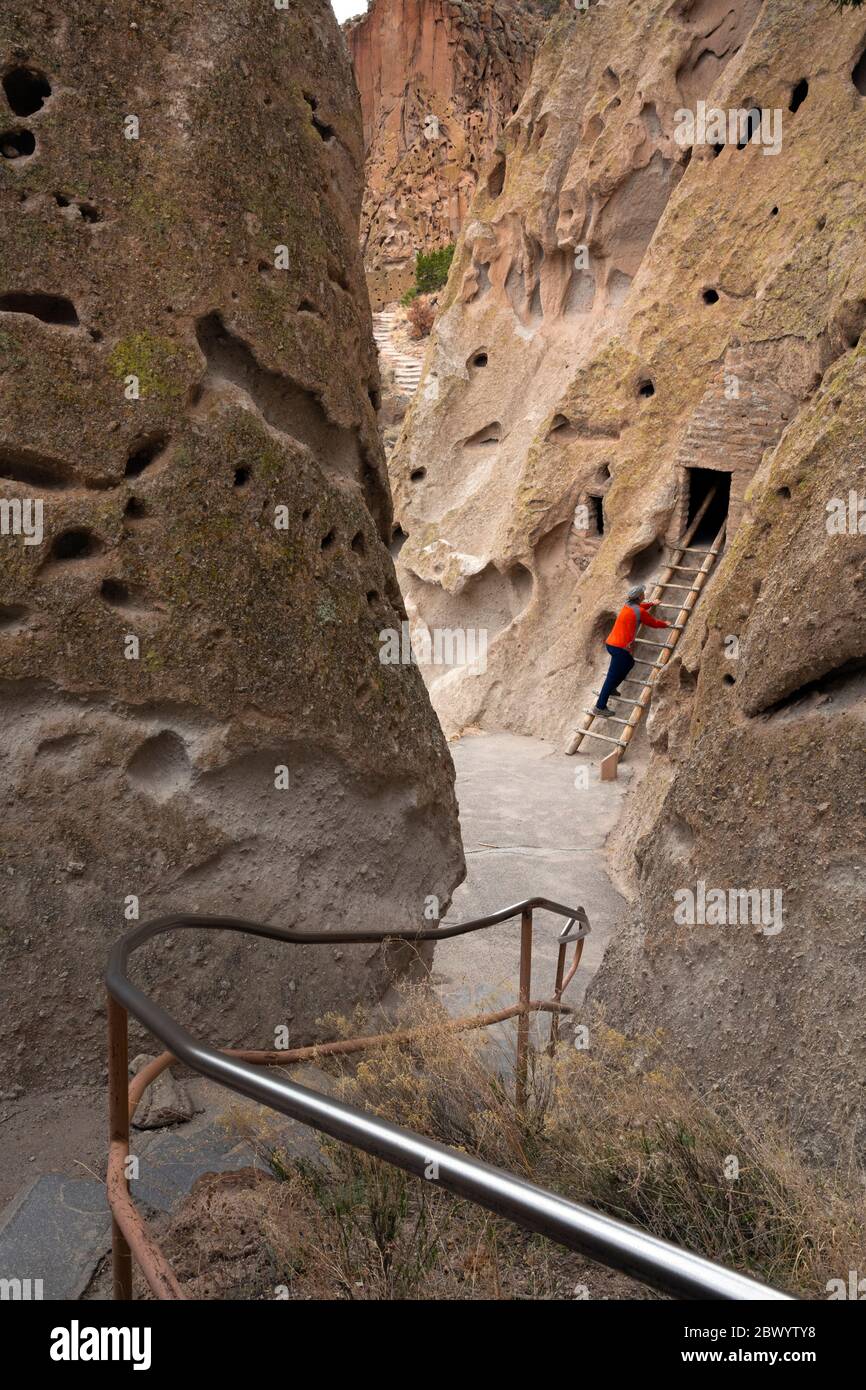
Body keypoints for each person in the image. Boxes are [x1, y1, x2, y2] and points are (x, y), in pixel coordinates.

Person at [592, 584, 669, 715]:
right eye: (643, 593)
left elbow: (639, 609)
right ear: (639, 596)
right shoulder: (638, 611)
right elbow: (653, 623)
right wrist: (665, 624)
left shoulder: (628, 606)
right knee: (611, 677)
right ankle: (599, 707)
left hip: (612, 644)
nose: (644, 594)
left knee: (629, 663)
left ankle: (612, 688)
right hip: (619, 648)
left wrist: (650, 604)